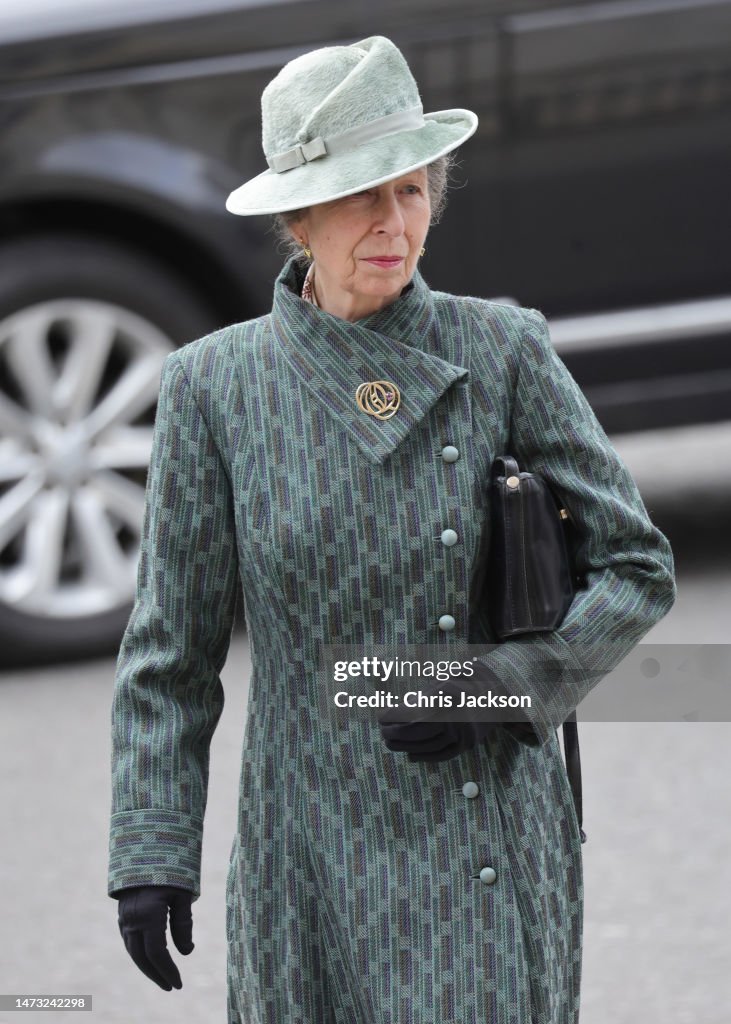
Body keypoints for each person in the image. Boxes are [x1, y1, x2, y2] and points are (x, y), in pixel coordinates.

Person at [108, 35, 677, 1024]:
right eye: (363, 192)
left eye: (412, 190)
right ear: (298, 215)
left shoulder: (501, 349)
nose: (393, 221)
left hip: (486, 823)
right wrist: (151, 851)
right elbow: (169, 649)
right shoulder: (213, 387)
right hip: (306, 853)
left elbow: (635, 567)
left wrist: (501, 689)